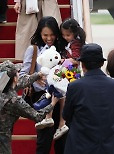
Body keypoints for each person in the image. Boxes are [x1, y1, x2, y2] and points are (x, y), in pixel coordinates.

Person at [62, 43, 114, 154]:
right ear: (102, 63)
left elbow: (66, 115)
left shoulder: (75, 86)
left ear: (82, 64)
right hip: (108, 146)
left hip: (80, 146)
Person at [20, 16, 65, 154]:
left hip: (62, 96)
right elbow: (22, 75)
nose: (49, 38)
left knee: (62, 136)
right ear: (40, 33)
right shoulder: (33, 50)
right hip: (42, 96)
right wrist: (35, 78)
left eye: (52, 35)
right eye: (45, 35)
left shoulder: (62, 49)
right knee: (44, 137)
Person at [0, 60, 58, 154]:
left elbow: (21, 82)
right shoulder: (14, 100)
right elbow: (37, 116)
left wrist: (38, 74)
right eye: (17, 73)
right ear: (14, 79)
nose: (19, 75)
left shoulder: (2, 86)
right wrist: (52, 104)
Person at [52, 18, 86, 140]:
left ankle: (60, 122)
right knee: (57, 89)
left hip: (71, 71)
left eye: (68, 35)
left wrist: (62, 61)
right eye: (63, 35)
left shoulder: (76, 43)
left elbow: (75, 59)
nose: (65, 37)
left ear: (74, 33)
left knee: (55, 84)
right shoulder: (73, 42)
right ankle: (59, 122)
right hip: (70, 71)